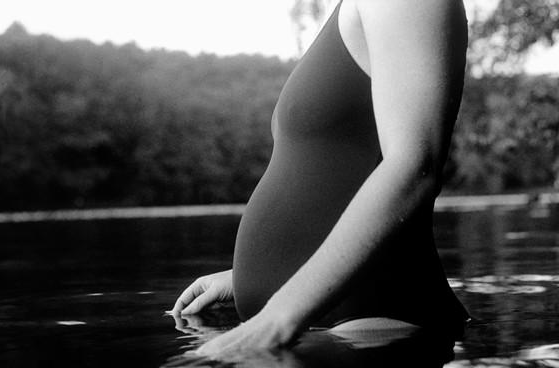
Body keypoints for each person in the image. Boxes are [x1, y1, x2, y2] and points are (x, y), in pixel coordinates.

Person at [171, 0, 470, 356]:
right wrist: (254, 275)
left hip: (372, 322)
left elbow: (412, 169)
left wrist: (279, 315)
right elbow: (332, 175)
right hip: (332, 325)